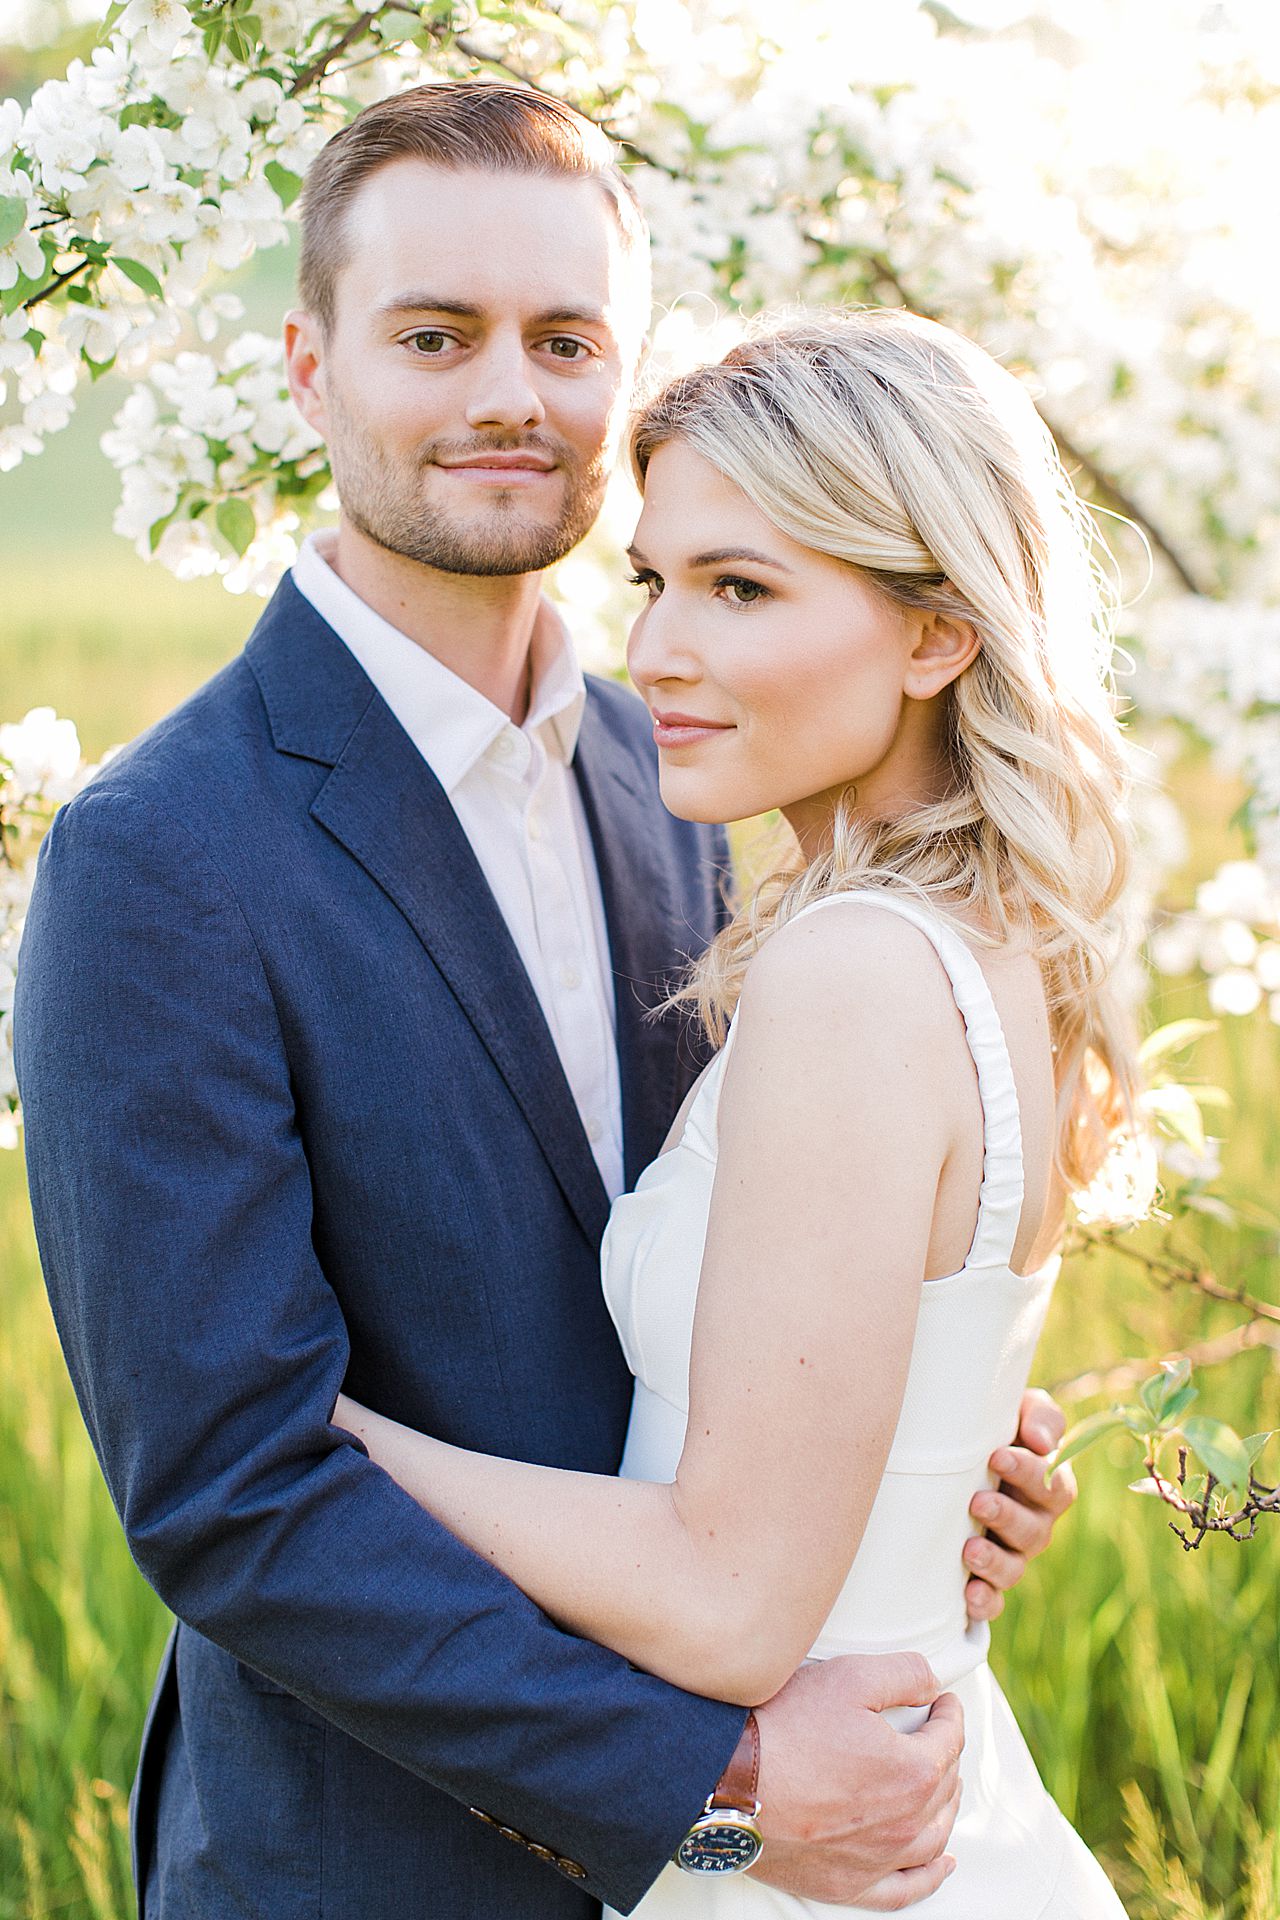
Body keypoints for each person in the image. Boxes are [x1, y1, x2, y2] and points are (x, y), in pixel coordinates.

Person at [15, 85, 1074, 1920]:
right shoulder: (158, 858)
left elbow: (747, 1289)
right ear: (307, 367)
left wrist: (922, 1458)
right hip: (387, 1863)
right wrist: (728, 1798)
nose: (511, 391)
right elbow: (232, 1500)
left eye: (567, 340)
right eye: (436, 335)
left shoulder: (683, 778)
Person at [328, 306, 1142, 1916]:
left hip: (814, 1831)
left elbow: (729, 1604)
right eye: (656, 579)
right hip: (872, 1805)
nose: (659, 653)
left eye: (743, 587)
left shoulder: (855, 970)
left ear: (935, 633)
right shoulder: (1002, 942)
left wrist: (329, 1433)